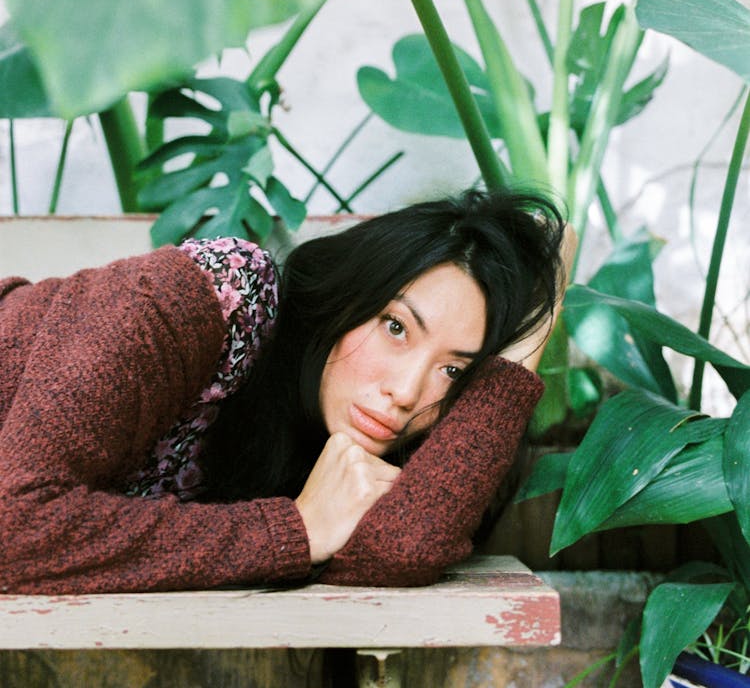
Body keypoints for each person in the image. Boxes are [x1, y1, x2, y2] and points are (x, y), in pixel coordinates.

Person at [0, 187, 573, 595]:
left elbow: (397, 552)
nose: (405, 392)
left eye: (453, 372)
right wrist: (293, 531)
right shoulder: (213, 296)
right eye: (395, 327)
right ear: (350, 298)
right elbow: (13, 527)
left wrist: (523, 349)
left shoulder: (318, 458)